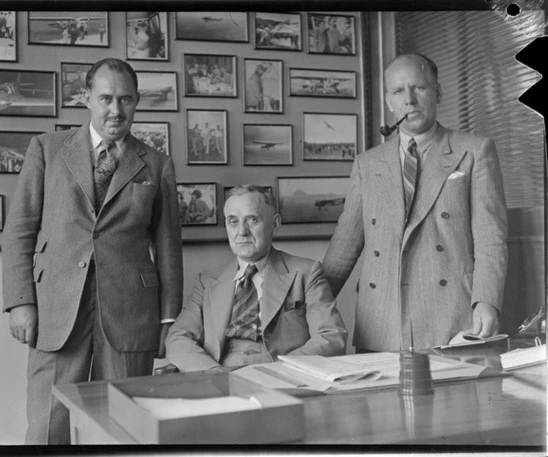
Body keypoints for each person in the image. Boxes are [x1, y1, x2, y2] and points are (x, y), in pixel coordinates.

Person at [2, 57, 183, 445]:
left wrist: (169, 320)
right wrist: (20, 301)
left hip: (130, 315)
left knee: (122, 430)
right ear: (86, 98)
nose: (115, 110)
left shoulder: (157, 164)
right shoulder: (48, 150)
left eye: (126, 100)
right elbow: (18, 231)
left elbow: (168, 248)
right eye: (105, 99)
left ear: (137, 102)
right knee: (48, 428)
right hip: (56, 310)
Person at [322, 54, 507, 352]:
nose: (409, 99)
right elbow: (344, 248)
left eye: (418, 88)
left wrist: (486, 301)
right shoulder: (367, 164)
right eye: (398, 91)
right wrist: (307, 310)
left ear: (438, 92)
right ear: (388, 101)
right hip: (380, 323)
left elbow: (490, 238)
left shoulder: (474, 151)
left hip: (452, 316)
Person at [166, 185, 347, 372]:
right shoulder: (207, 281)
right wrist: (212, 371)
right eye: (233, 221)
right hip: (222, 374)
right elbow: (178, 337)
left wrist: (280, 370)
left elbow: (331, 336)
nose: (242, 231)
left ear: (275, 224)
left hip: (282, 373)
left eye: (252, 220)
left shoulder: (306, 273)